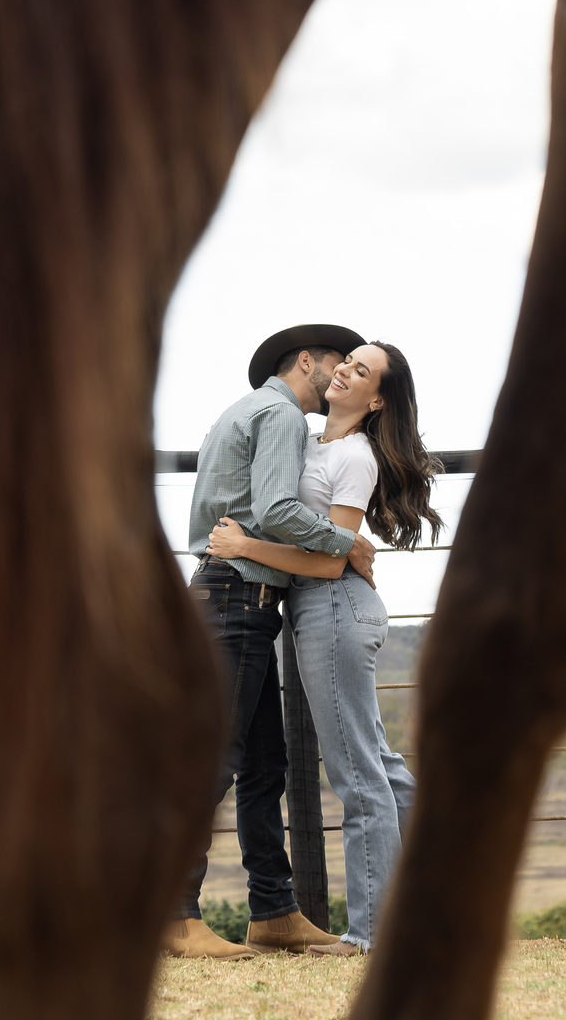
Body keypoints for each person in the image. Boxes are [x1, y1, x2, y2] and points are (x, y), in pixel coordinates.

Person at [208, 340, 442, 955]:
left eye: (361, 370)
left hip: (334, 610)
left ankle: (371, 935)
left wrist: (247, 548)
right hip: (319, 611)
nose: (345, 369)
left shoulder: (356, 457)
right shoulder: (315, 442)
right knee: (382, 767)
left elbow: (328, 560)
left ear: (378, 399)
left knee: (357, 774)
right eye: (347, 361)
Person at [163, 323, 378, 960]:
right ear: (305, 361)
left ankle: (275, 912)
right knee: (219, 759)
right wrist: (350, 543)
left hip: (236, 598)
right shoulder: (279, 416)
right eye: (337, 363)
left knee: (264, 765)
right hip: (235, 596)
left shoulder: (247, 412)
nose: (340, 375)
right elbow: (281, 507)